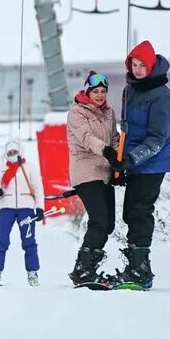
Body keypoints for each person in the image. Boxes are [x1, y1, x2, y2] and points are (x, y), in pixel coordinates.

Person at [101, 40, 170, 289]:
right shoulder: (130, 89)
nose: (138, 69)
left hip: (153, 162)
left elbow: (158, 138)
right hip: (134, 161)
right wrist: (121, 163)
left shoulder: (162, 96)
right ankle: (136, 267)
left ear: (151, 65)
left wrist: (132, 160)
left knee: (139, 210)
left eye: (142, 64)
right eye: (134, 64)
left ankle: (140, 271)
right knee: (130, 212)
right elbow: (126, 129)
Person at [66, 71, 120, 287]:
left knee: (108, 225)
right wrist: (107, 152)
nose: (99, 95)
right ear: (87, 91)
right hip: (86, 172)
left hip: (104, 172)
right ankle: (83, 271)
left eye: (103, 91)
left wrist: (118, 165)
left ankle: (86, 267)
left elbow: (115, 138)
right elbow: (87, 138)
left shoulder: (108, 112)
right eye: (95, 91)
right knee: (99, 221)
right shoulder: (77, 113)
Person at [0, 141, 45, 286]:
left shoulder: (30, 168)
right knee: (1, 241)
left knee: (29, 242)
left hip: (26, 208)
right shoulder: (2, 169)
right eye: (10, 153)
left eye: (15, 152)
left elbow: (38, 188)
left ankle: (32, 273)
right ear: (6, 154)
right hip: (6, 208)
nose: (13, 155)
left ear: (20, 152)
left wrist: (39, 207)